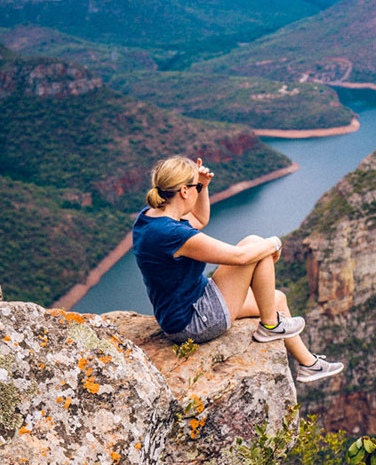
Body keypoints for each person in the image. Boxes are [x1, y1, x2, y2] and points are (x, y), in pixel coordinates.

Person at [132, 155, 343, 384]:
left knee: (277, 300)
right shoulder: (173, 234)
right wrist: (274, 242)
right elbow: (239, 257)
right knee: (255, 246)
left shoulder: (150, 217)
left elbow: (200, 220)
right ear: (184, 191)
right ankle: (271, 326)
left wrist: (202, 186)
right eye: (195, 187)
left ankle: (309, 365)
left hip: (187, 305)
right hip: (192, 321)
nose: (198, 189)